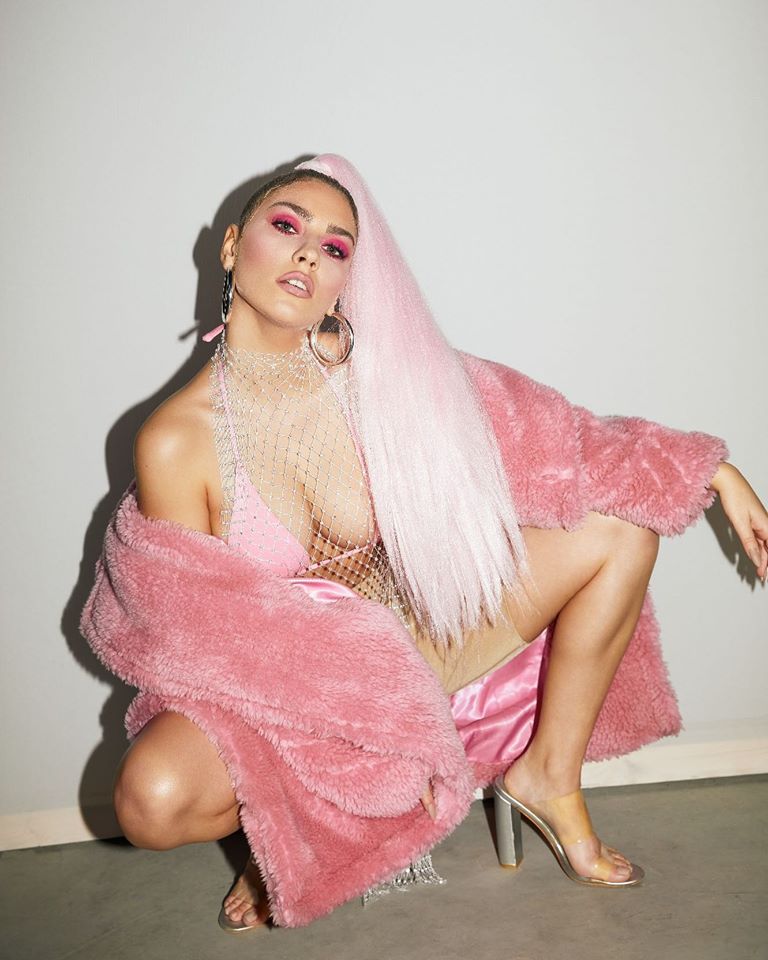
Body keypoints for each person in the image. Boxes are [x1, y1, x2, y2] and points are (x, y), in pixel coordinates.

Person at [109, 153, 768, 932]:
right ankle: (286, 836)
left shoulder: (383, 373)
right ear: (230, 247)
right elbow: (197, 643)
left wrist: (710, 468)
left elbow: (555, 438)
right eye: (286, 226)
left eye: (334, 246)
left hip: (426, 640)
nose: (308, 254)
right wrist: (350, 698)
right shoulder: (176, 440)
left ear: (347, 278)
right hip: (299, 696)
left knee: (621, 529)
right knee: (151, 799)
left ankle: (548, 777)